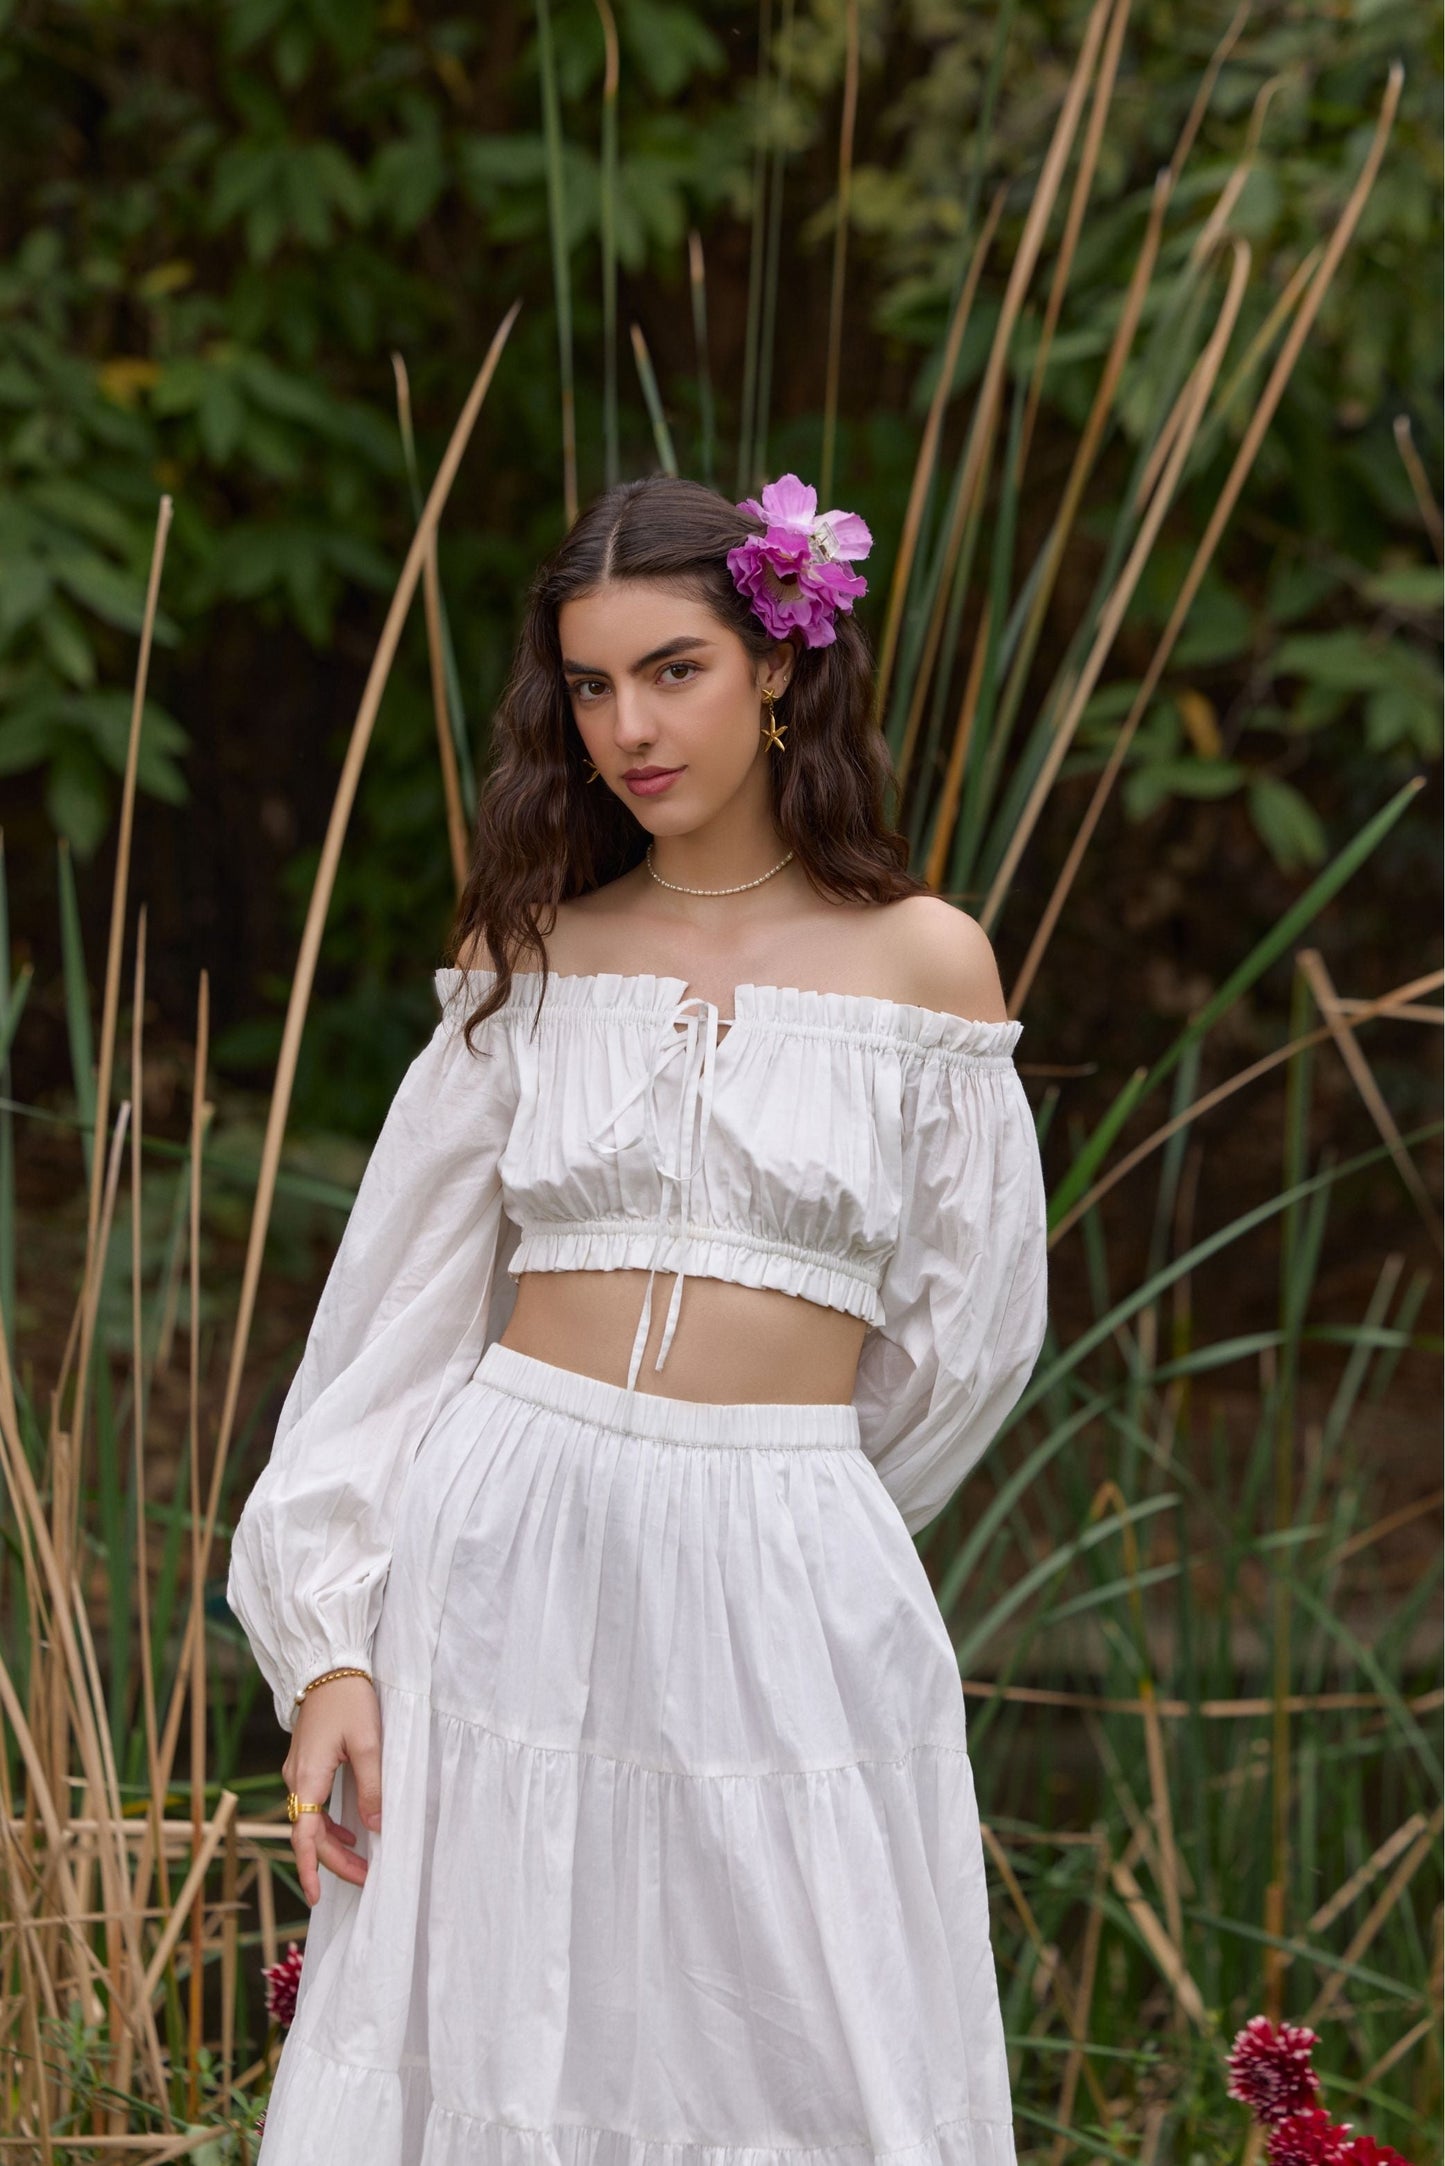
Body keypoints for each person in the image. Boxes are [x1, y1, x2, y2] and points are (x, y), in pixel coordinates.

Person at [227, 469, 1050, 2166]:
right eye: (591, 686)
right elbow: (394, 1312)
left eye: (672, 669)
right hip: (499, 1547)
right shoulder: (533, 948)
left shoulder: (924, 964)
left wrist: (778, 1504)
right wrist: (332, 1642)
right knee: (502, 2014)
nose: (627, 726)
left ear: (780, 665)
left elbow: (969, 1340)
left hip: (786, 1557)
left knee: (805, 2041)